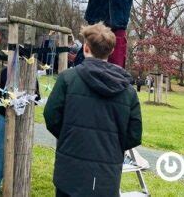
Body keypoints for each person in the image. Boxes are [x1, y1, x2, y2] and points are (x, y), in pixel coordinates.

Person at [44, 23, 142, 197]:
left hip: (71, 174)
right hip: (103, 177)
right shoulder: (128, 91)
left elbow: (51, 117)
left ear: (85, 48)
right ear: (111, 51)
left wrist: (69, 136)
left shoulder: (67, 78)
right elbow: (133, 134)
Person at [0, 66, 41, 196]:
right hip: (4, 117)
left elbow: (36, 98)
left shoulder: (30, 74)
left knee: (20, 151)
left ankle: (15, 182)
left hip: (23, 120)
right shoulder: (4, 73)